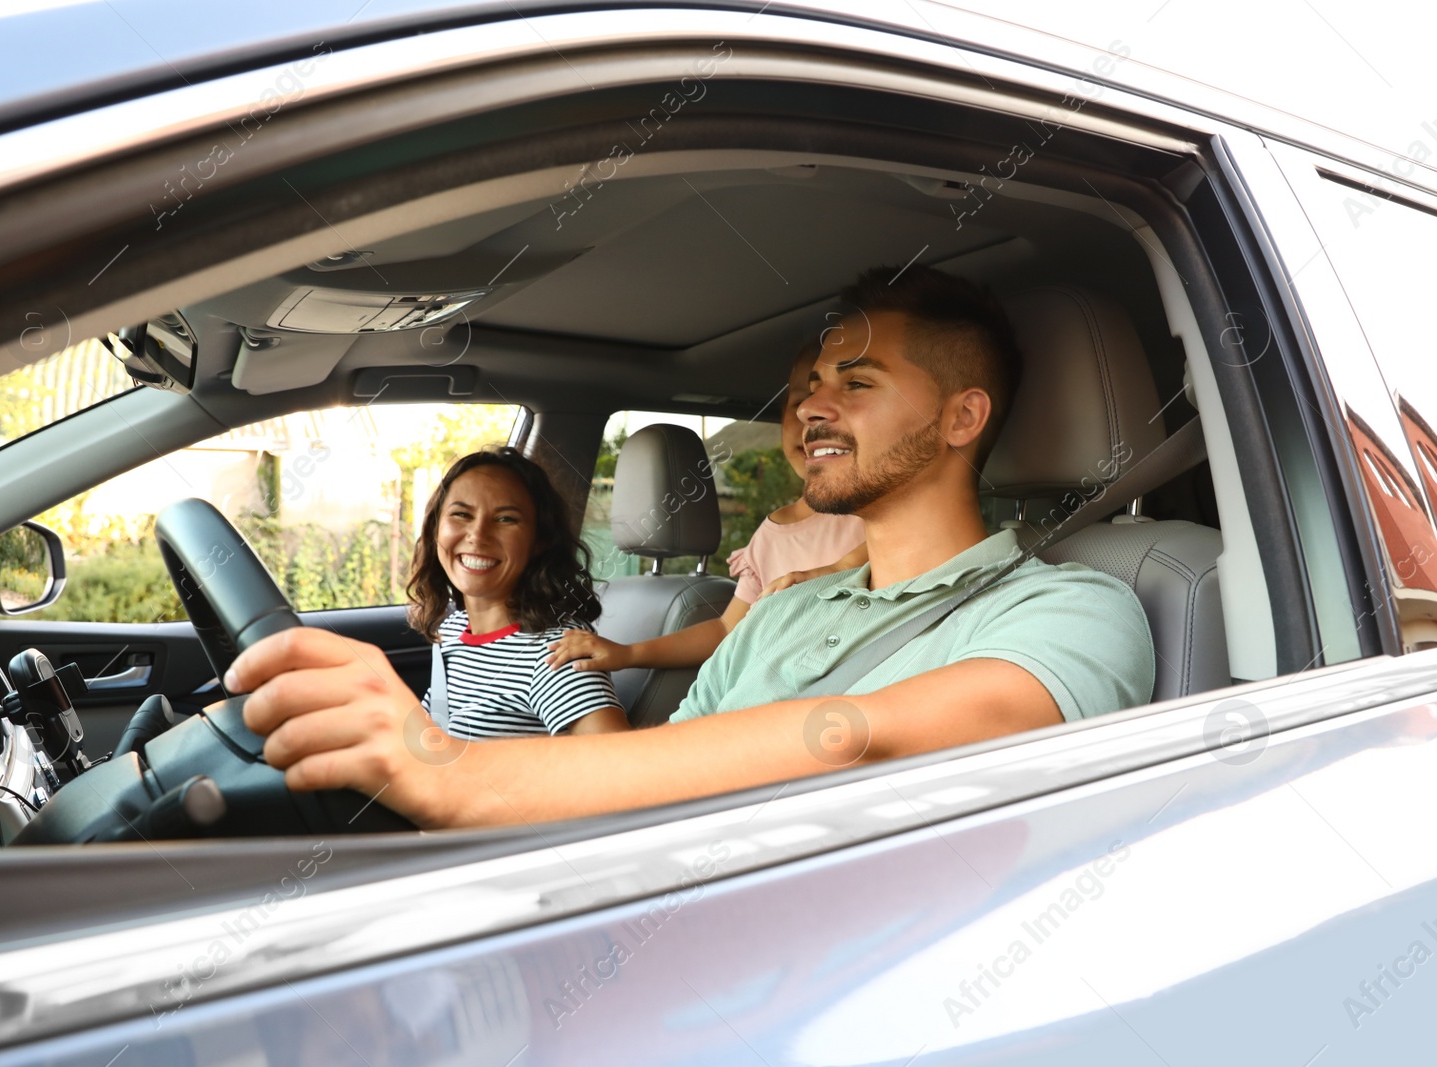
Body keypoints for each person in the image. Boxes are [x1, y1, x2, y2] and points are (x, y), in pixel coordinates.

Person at [223, 265, 1155, 829]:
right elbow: (652, 775)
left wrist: (453, 772)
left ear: (964, 416)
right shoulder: (783, 608)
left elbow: (869, 739)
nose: (810, 408)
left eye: (856, 382)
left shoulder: (1075, 608)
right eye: (807, 387)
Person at [544, 342, 866, 676]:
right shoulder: (770, 536)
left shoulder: (880, 523)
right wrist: (628, 653)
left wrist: (844, 566)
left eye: (855, 389)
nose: (813, 417)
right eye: (801, 401)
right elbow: (727, 630)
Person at [404, 448, 629, 738]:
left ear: (539, 541)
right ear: (436, 528)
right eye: (461, 514)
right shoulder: (453, 630)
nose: (477, 535)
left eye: (506, 519)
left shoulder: (555, 651)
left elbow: (618, 766)